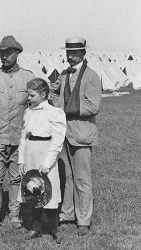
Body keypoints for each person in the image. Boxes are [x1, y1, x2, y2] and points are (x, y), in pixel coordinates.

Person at [0, 36, 35, 232]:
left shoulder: (28, 77)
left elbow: (35, 106)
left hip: (19, 139)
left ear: (17, 54)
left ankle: (14, 215)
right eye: (1, 53)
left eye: (8, 52)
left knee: (16, 179)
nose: (4, 56)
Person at [52, 37, 102, 236]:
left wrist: (65, 110)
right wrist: (56, 104)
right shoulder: (63, 75)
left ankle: (84, 219)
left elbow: (94, 105)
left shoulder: (91, 76)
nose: (70, 57)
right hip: (63, 134)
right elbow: (55, 96)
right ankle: (68, 213)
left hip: (81, 134)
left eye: (75, 53)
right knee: (67, 177)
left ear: (83, 54)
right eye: (68, 53)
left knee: (82, 178)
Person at [18, 78, 66, 242]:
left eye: (32, 95)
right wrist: (21, 160)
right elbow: (24, 137)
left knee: (48, 190)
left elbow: (57, 141)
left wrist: (47, 163)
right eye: (28, 95)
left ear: (43, 94)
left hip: (45, 155)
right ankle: (35, 227)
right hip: (30, 154)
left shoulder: (54, 113)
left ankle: (53, 229)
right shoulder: (28, 112)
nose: (29, 98)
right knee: (33, 191)